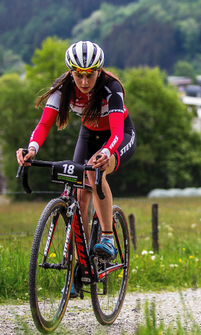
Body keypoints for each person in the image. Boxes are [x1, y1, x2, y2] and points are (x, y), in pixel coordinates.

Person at [16, 41, 136, 262]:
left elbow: (118, 130)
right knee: (77, 194)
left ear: (99, 71)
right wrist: (31, 149)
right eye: (78, 75)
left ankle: (108, 238)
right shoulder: (62, 87)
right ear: (70, 72)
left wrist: (107, 152)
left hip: (118, 137)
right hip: (88, 135)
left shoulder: (111, 87)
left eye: (90, 75)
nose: (84, 81)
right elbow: (43, 125)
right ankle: (82, 265)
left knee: (94, 171)